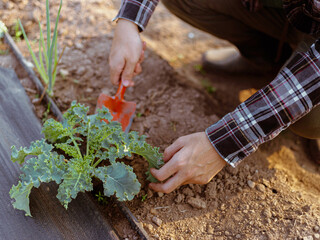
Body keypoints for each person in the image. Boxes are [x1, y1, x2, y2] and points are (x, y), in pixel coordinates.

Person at [109, 0, 320, 193]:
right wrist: (129, 22)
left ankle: (293, 78)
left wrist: (222, 144)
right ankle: (266, 61)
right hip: (296, 10)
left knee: (308, 121)